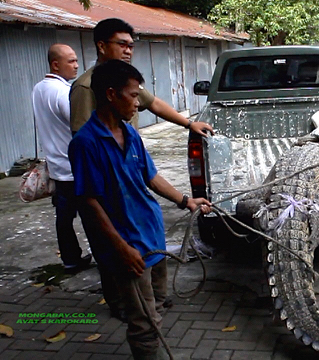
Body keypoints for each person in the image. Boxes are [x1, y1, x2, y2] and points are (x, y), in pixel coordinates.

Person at [68, 59, 212, 359]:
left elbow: (151, 176)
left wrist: (186, 202)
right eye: (133, 95)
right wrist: (121, 249)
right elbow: (89, 203)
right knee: (143, 321)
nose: (138, 102)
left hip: (151, 235)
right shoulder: (86, 144)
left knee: (156, 305)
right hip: (128, 245)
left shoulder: (130, 133)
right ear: (110, 94)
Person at [69, 18, 212, 136]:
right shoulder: (85, 86)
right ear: (101, 46)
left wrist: (189, 124)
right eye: (122, 45)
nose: (128, 51)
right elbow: (81, 137)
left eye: (131, 46)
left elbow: (153, 103)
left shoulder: (127, 80)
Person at [31, 44, 92, 273]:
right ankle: (104, 254)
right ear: (55, 64)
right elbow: (79, 124)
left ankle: (70, 259)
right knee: (91, 213)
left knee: (64, 217)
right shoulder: (64, 92)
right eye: (71, 61)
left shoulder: (39, 89)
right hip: (74, 167)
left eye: (76, 61)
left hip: (56, 166)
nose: (76, 66)